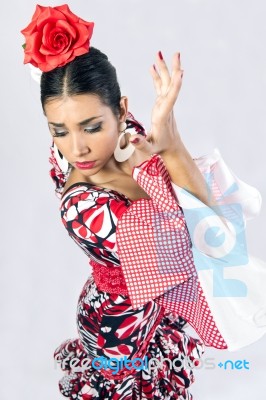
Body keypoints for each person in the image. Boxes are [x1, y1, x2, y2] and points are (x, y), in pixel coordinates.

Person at [21, 4, 266, 400]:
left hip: (159, 304)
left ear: (121, 110)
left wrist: (170, 141)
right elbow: (209, 237)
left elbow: (201, 219)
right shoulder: (82, 210)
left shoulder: (127, 135)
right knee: (117, 387)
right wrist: (167, 152)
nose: (77, 147)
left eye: (92, 126)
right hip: (115, 322)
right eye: (59, 131)